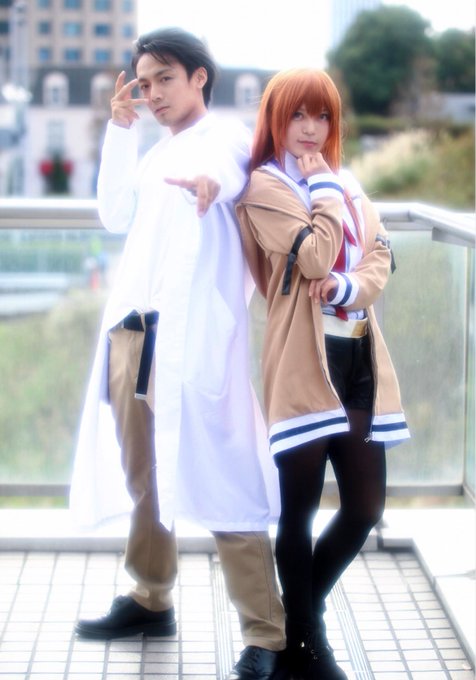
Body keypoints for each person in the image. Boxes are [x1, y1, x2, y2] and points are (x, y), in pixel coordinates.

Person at [69, 28, 286, 680]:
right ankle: (150, 597)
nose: (154, 92)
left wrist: (210, 184)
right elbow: (113, 214)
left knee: (225, 475)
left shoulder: (225, 140)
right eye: (144, 82)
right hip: (133, 335)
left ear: (199, 78)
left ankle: (265, 633)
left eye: (165, 77)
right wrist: (120, 130)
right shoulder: (155, 150)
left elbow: (226, 170)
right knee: (142, 474)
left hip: (191, 342)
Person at [236, 68, 410, 680]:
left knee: (364, 506)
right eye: (298, 115)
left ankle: (296, 621)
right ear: (277, 120)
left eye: (323, 116)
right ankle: (310, 645)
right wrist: (325, 194)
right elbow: (312, 253)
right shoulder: (266, 185)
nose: (311, 129)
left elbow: (380, 256)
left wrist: (345, 287)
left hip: (357, 357)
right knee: (300, 510)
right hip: (302, 362)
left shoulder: (343, 180)